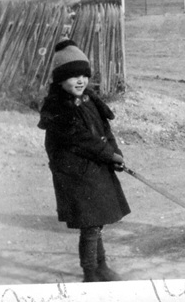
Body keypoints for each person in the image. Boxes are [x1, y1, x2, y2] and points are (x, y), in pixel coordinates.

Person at [38, 39, 130, 282]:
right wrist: (108, 155)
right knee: (90, 226)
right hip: (75, 174)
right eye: (72, 76)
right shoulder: (57, 107)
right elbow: (80, 140)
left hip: (95, 169)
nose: (80, 80)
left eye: (84, 75)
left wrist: (115, 153)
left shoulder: (90, 100)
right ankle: (90, 273)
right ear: (59, 80)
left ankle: (101, 267)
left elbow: (104, 130)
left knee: (96, 223)